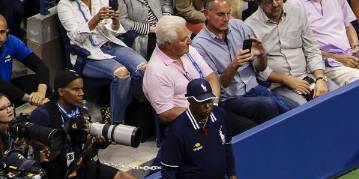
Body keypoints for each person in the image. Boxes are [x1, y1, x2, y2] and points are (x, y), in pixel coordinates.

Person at [29, 70, 137, 179]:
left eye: (82, 88)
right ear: (61, 92)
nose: (82, 93)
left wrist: (97, 145)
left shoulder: (82, 112)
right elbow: (43, 157)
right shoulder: (42, 115)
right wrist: (66, 132)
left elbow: (84, 153)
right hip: (58, 175)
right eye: (76, 89)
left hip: (81, 166)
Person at [192, 0, 293, 132]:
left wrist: (262, 55)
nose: (227, 19)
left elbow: (260, 68)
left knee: (294, 109)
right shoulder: (199, 45)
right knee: (268, 105)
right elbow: (217, 86)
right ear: (206, 14)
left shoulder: (239, 26)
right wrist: (234, 65)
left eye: (229, 13)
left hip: (254, 87)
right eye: (221, 14)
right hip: (231, 98)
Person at [56, 0, 148, 124]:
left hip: (110, 45)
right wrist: (96, 19)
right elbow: (76, 37)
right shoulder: (64, 5)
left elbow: (113, 30)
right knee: (122, 74)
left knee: (143, 68)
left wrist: (115, 21)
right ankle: (116, 123)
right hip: (88, 55)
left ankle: (114, 110)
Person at [142, 16, 227, 126]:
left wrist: (213, 106)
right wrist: (201, 113)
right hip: (188, 123)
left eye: (188, 35)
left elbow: (211, 77)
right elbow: (166, 113)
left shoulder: (188, 50)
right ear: (168, 44)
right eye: (183, 39)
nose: (190, 41)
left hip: (210, 111)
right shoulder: (156, 72)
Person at [247, 0, 331, 108]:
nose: (275, 4)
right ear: (259, 2)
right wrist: (286, 79)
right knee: (304, 109)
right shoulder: (250, 25)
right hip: (279, 85)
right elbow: (258, 69)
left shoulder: (297, 12)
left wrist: (320, 78)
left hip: (307, 75)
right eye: (268, 1)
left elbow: (312, 49)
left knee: (337, 94)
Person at [300, 0, 359, 86]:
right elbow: (303, 48)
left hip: (350, 54)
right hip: (326, 64)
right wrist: (339, 58)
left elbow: (348, 26)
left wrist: (355, 47)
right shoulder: (296, 5)